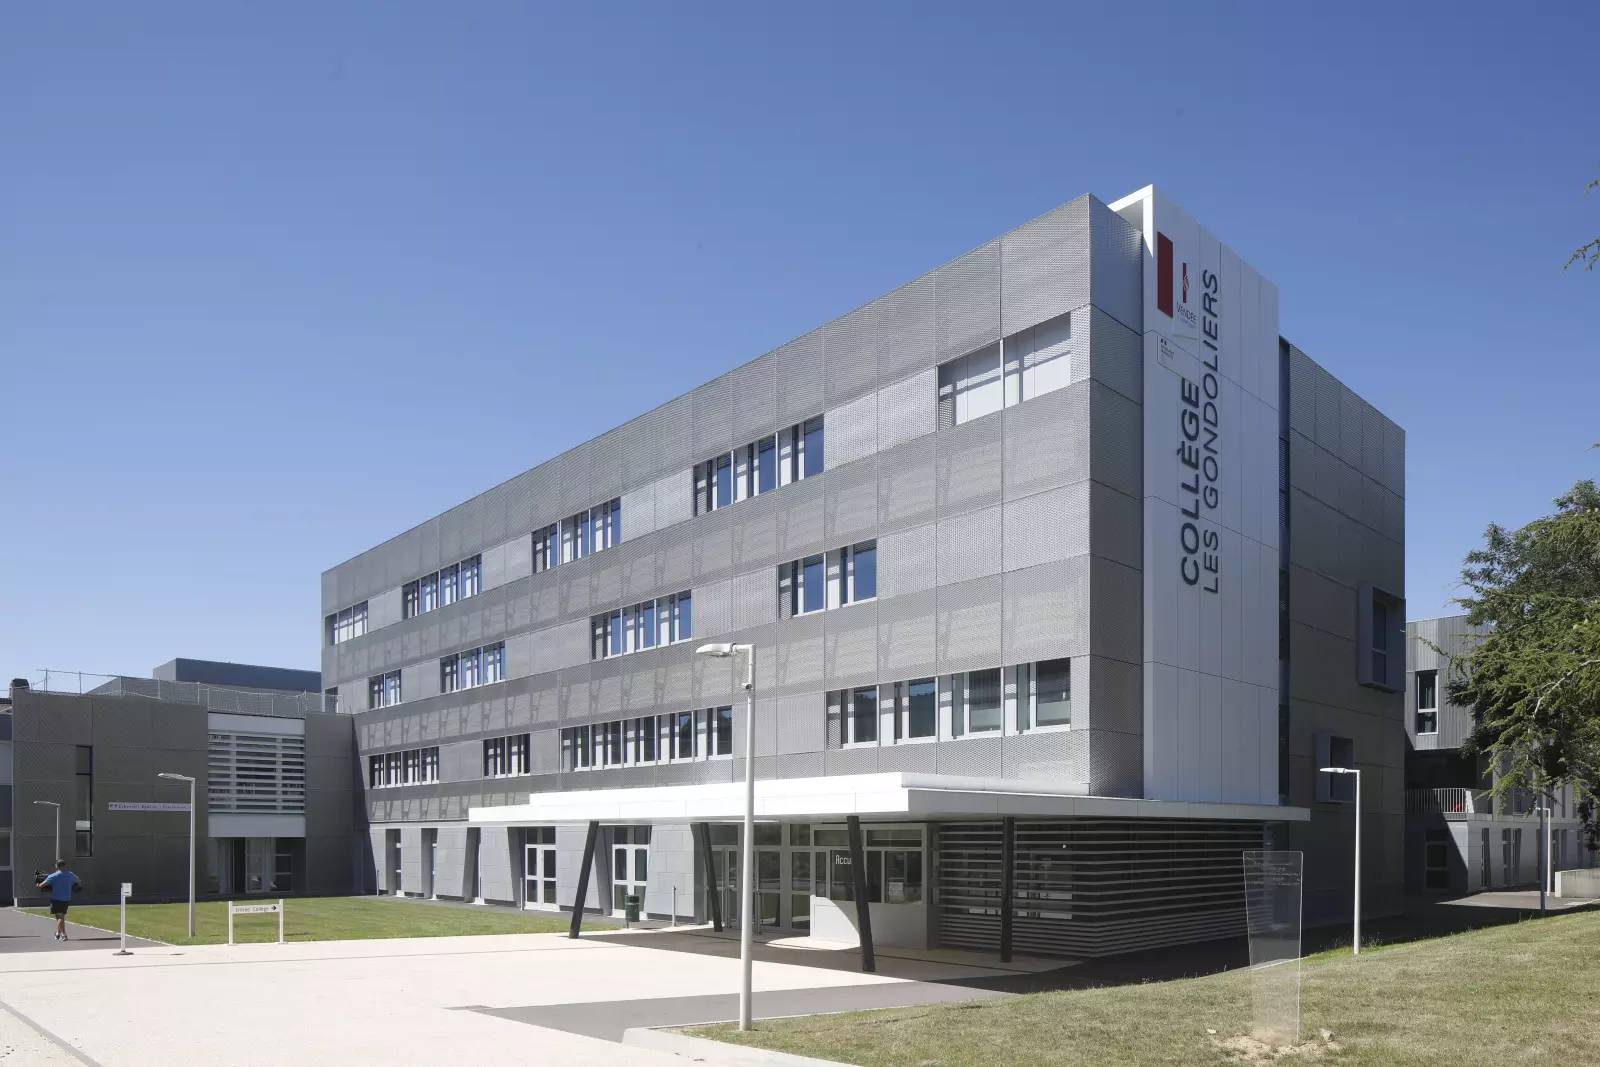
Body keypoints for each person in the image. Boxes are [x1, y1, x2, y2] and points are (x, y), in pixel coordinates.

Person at [36, 860, 81, 942]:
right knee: (61, 917)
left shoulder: (53, 876)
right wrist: (75, 886)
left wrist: (38, 885)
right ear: (64, 865)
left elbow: (42, 885)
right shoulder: (70, 874)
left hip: (56, 899)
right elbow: (78, 881)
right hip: (66, 898)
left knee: (59, 917)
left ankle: (64, 935)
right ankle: (58, 933)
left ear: (57, 866)